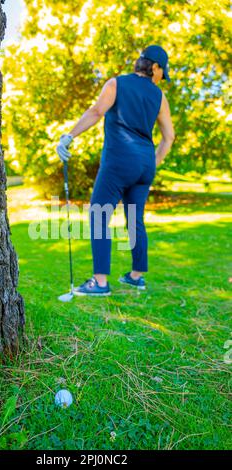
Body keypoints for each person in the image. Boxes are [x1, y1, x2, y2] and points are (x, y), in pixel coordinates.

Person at [56, 45, 175, 296]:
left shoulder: (116, 84)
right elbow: (169, 137)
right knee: (135, 220)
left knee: (99, 215)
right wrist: (153, 161)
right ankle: (136, 277)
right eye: (161, 73)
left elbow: (97, 111)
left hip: (119, 160)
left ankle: (99, 283)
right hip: (145, 165)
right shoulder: (159, 97)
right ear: (153, 67)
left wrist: (69, 136)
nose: (160, 79)